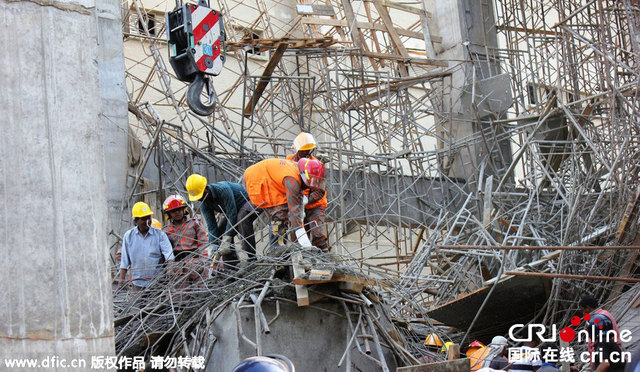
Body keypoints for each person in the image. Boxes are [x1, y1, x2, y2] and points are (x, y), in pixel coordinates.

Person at [243, 157, 328, 251]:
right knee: (279, 212)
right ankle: (276, 248)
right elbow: (295, 213)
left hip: (272, 179)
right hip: (259, 178)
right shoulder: (292, 180)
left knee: (284, 211)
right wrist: (306, 244)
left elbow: (298, 208)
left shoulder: (298, 173)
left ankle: (281, 245)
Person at [186, 174, 258, 267]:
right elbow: (212, 226)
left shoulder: (223, 190)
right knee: (220, 233)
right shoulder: (204, 203)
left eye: (201, 196)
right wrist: (213, 244)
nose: (200, 199)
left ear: (206, 189)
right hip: (235, 210)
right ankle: (232, 266)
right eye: (198, 198)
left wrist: (227, 238)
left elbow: (232, 214)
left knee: (242, 218)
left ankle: (252, 258)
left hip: (250, 200)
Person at [286, 132, 329, 251]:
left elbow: (319, 191)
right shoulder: (288, 161)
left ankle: (323, 257)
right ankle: (300, 258)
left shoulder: (316, 165)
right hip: (297, 204)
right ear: (297, 149)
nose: (305, 153)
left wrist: (306, 201)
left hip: (315, 205)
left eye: (308, 151)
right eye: (303, 151)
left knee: (317, 233)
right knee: (298, 235)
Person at [118, 202, 174, 289]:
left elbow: (168, 254)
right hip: (137, 283)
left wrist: (170, 268)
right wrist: (121, 279)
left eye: (149, 218)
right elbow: (125, 260)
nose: (148, 221)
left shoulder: (160, 234)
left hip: (157, 283)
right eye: (144, 218)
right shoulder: (128, 236)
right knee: (137, 302)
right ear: (136, 221)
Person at [162, 194, 208, 261]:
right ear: (169, 213)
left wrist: (203, 262)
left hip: (195, 262)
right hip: (177, 264)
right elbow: (165, 250)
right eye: (174, 211)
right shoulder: (166, 231)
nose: (177, 212)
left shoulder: (195, 224)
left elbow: (203, 244)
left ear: (184, 210)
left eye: (179, 209)